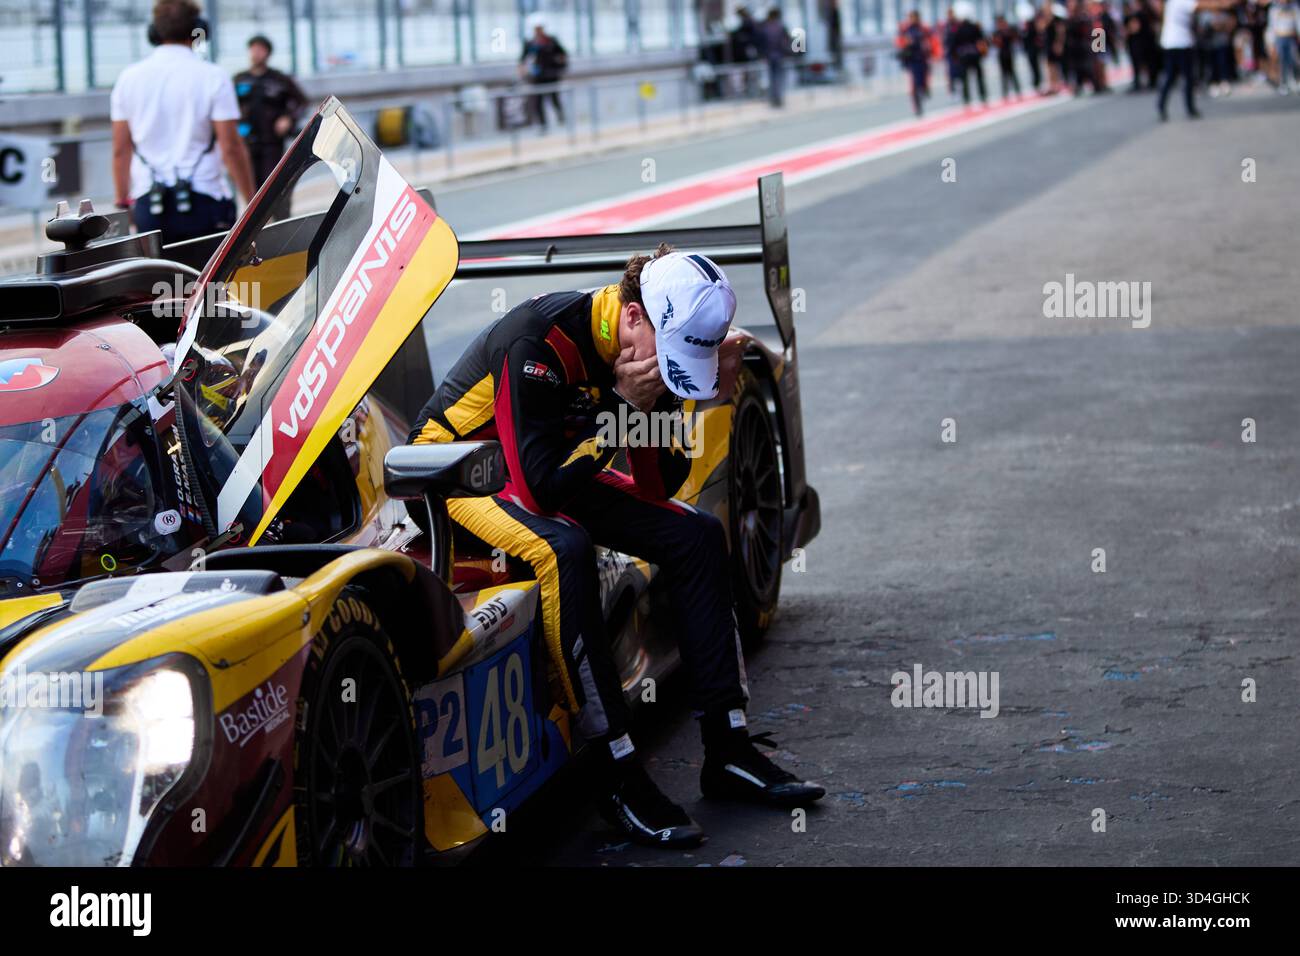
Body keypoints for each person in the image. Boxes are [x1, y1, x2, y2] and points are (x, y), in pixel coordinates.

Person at [406, 247, 825, 847]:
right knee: (563, 547)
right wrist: (624, 408)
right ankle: (617, 769)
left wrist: (642, 407)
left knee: (696, 534)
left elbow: (663, 484)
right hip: (456, 471)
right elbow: (543, 489)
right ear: (633, 317)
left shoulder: (645, 351)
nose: (667, 371)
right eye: (669, 357)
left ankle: (728, 747)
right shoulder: (538, 341)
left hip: (544, 465)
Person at [110, 0, 254, 244]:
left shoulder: (128, 79)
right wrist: (252, 202)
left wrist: (123, 202)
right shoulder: (213, 76)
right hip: (206, 203)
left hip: (148, 206)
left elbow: (120, 150)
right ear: (199, 29)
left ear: (154, 32)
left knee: (161, 281)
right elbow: (231, 148)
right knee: (210, 282)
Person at [233, 34, 307, 218]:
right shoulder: (239, 79)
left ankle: (282, 225)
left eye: (261, 49)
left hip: (272, 145)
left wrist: (288, 118)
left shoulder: (279, 79)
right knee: (251, 193)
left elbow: (301, 102)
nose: (256, 53)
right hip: (246, 145)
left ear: (268, 53)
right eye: (253, 49)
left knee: (276, 188)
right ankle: (255, 231)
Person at [1156, 0, 1237, 119]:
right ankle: (1188, 108)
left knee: (1171, 76)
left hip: (1172, 42)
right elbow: (1201, 6)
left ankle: (1163, 106)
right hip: (1180, 43)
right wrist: (1223, 4)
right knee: (1186, 77)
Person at [520, 17, 568, 131]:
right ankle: (543, 125)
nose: (538, 31)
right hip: (537, 77)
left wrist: (559, 65)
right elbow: (522, 59)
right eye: (536, 28)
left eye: (540, 28)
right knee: (538, 101)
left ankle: (561, 119)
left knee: (554, 98)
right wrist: (524, 71)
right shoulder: (530, 43)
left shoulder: (551, 41)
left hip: (551, 75)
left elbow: (563, 55)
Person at [897, 10, 934, 115]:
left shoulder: (924, 29)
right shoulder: (905, 30)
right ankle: (918, 107)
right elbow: (899, 42)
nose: (912, 19)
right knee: (914, 84)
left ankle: (925, 90)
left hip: (923, 58)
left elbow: (932, 41)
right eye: (910, 17)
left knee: (923, 80)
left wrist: (932, 52)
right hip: (912, 60)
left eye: (913, 17)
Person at [954, 4, 989, 106]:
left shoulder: (958, 29)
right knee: (979, 77)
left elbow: (954, 43)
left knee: (965, 78)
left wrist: (955, 56)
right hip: (975, 55)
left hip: (964, 56)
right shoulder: (975, 27)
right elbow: (982, 40)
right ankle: (982, 96)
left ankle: (966, 99)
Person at [760, 7, 792, 107]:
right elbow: (786, 42)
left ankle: (774, 99)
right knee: (779, 77)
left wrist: (763, 54)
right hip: (779, 55)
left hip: (769, 56)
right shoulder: (780, 27)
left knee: (772, 78)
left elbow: (762, 43)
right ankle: (778, 98)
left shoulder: (765, 28)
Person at [1271, 0, 1300, 92]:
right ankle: (1283, 83)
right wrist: (1271, 42)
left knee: (1293, 59)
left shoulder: (1294, 6)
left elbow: (1298, 21)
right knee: (1282, 61)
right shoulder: (1275, 8)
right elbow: (1272, 26)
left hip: (1291, 36)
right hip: (1280, 37)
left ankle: (1294, 80)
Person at [993, 14, 1024, 98]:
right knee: (1004, 74)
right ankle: (1005, 92)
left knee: (1012, 73)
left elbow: (1016, 38)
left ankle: (1017, 90)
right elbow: (995, 43)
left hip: (1009, 53)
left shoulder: (1009, 30)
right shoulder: (997, 32)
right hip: (1002, 54)